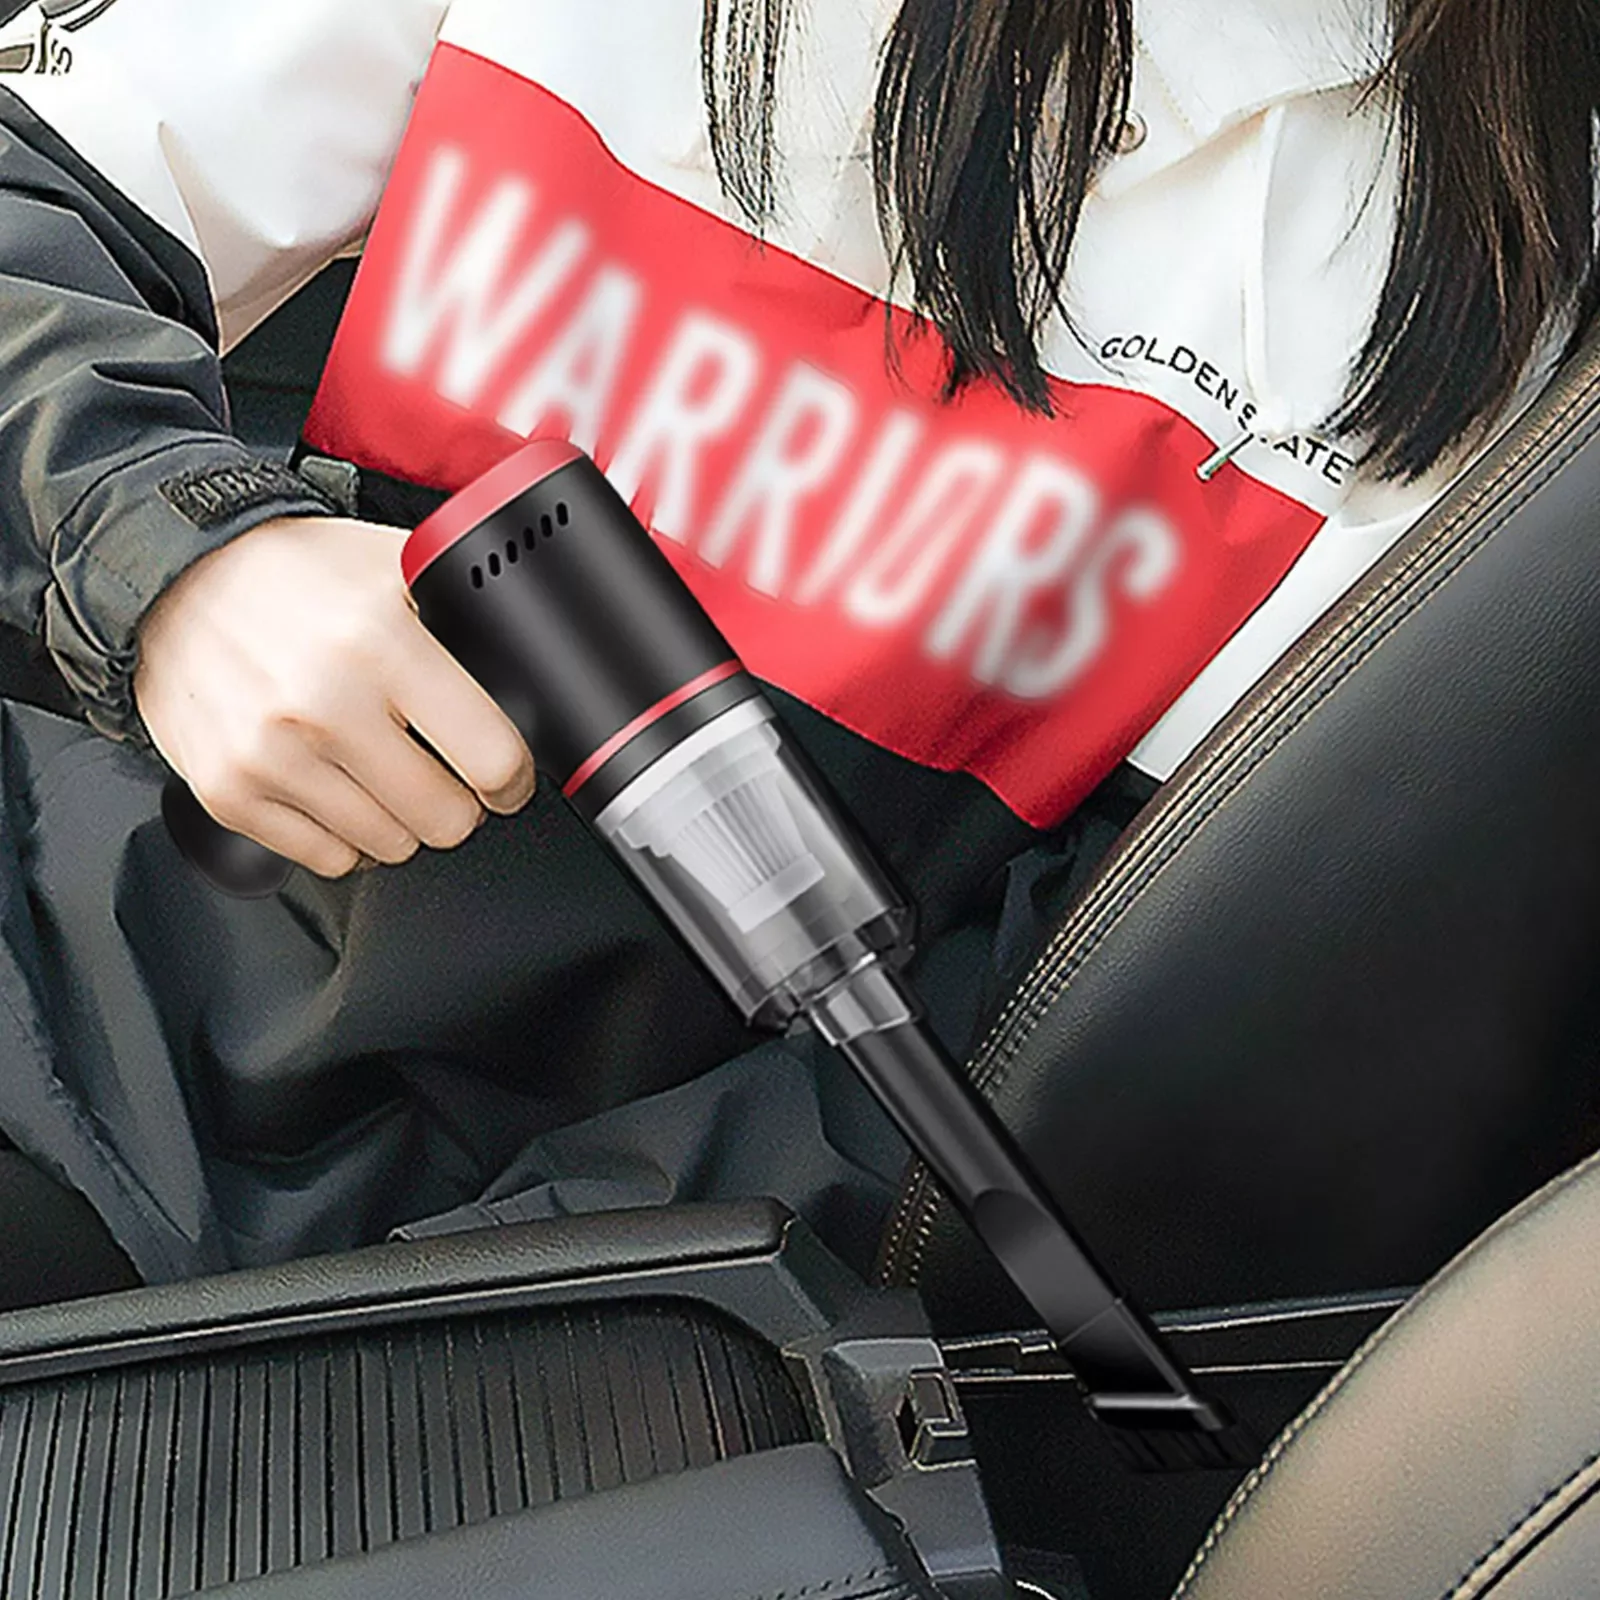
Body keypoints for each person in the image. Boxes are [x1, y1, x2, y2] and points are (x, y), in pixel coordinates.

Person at [0, 0, 1593, 1302]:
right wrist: (175, 549)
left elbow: (1101, 1034)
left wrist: (528, 1308)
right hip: (92, 1012)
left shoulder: (1500, 286)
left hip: (663, 1305)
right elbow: (34, 200)